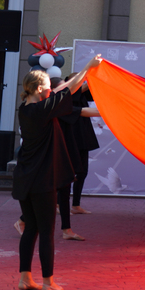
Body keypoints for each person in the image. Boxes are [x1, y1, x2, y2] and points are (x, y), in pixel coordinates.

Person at [13, 56, 101, 290]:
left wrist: (86, 70)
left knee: (30, 228)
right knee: (47, 232)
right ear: (40, 89)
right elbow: (69, 90)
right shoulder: (41, 110)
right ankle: (48, 282)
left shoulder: (27, 108)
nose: (52, 91)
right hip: (42, 180)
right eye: (48, 88)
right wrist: (87, 68)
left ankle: (24, 279)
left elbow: (63, 90)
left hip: (25, 178)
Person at [58, 80, 102, 236]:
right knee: (64, 181)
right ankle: (25, 219)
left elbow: (94, 93)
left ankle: (75, 205)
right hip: (70, 139)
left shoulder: (79, 95)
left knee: (81, 172)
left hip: (83, 137)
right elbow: (79, 95)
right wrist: (90, 75)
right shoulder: (63, 98)